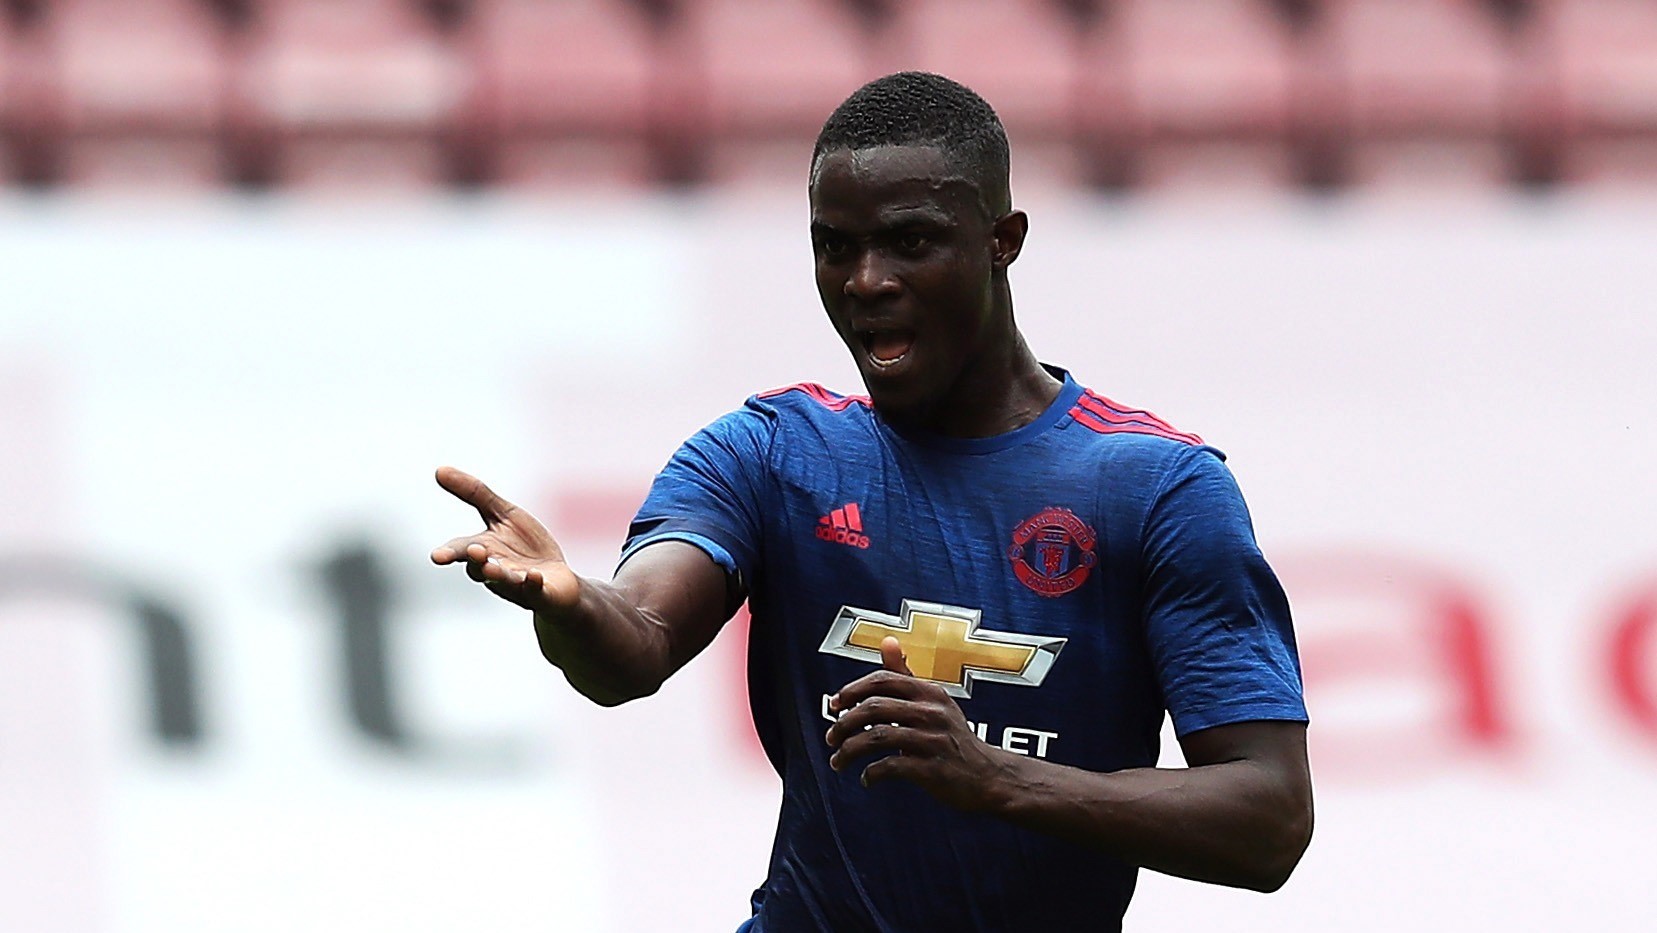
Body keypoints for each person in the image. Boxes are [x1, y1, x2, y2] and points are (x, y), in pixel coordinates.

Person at [432, 71, 1311, 932]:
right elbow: (637, 645)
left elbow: (1267, 820)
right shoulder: (769, 452)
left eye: (910, 243)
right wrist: (575, 605)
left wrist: (991, 774)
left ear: (1002, 239)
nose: (865, 280)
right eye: (834, 245)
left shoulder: (1156, 486)